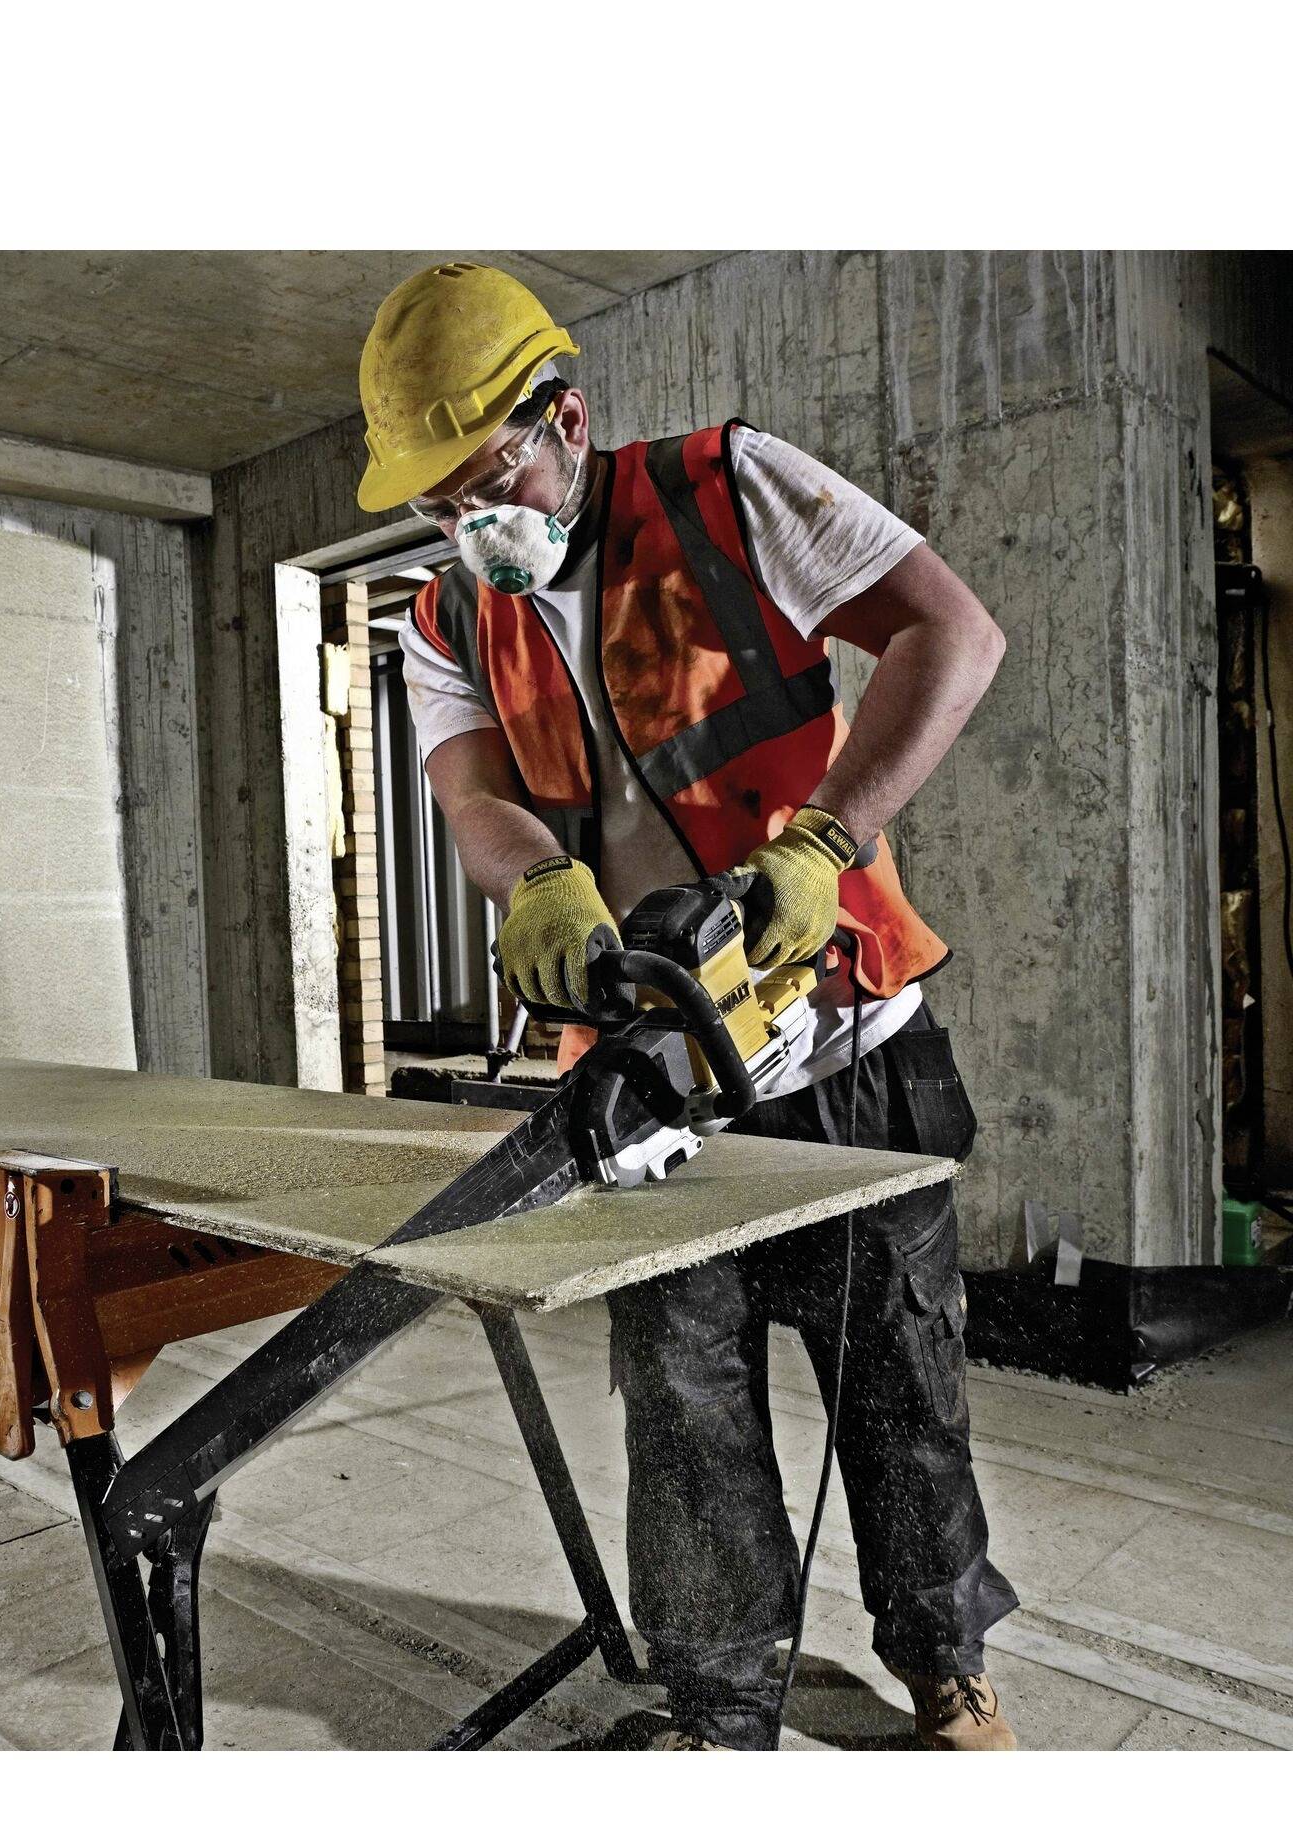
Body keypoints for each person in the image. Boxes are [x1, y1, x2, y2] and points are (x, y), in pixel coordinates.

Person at [358, 262, 1018, 1750]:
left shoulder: (733, 490)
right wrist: (534, 880)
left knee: (900, 1380)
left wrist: (824, 844)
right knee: (683, 1398)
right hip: (657, 1073)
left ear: (569, 422)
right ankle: (721, 1699)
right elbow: (471, 790)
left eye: (490, 484)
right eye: (439, 508)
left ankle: (948, 1658)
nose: (471, 530)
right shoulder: (450, 614)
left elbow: (950, 636)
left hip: (840, 1028)